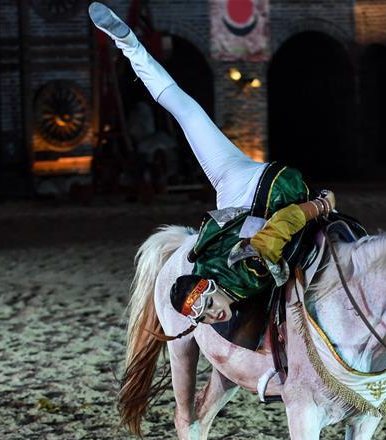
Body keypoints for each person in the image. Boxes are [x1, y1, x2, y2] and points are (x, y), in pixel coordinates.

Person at [89, 2, 335, 326]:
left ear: (209, 288)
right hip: (236, 191)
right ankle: (129, 44)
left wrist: (320, 205)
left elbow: (286, 221)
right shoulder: (204, 275)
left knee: (184, 111)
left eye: (207, 307)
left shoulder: (248, 270)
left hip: (268, 193)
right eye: (204, 318)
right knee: (184, 110)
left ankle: (128, 44)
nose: (214, 317)